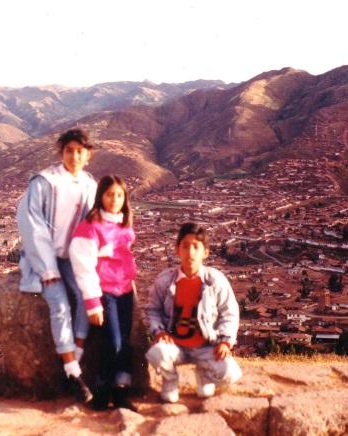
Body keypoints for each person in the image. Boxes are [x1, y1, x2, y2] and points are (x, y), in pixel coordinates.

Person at [16, 128, 97, 403]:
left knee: (87, 298)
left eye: (79, 151)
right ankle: (73, 373)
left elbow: (95, 226)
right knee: (60, 305)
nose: (74, 156)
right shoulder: (44, 182)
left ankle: (73, 361)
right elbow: (32, 224)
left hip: (74, 258)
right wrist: (47, 268)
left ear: (88, 155)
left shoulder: (89, 185)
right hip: (46, 258)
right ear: (61, 153)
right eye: (69, 150)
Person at [145, 222, 242, 403]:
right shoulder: (165, 281)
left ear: (205, 252)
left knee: (232, 373)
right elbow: (152, 310)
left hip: (206, 346)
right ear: (177, 250)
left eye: (196, 247)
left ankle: (204, 374)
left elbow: (229, 313)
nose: (190, 252)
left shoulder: (215, 281)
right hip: (174, 345)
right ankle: (170, 380)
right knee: (156, 353)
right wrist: (159, 332)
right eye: (185, 246)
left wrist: (225, 342)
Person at [69, 175, 138, 411]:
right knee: (114, 342)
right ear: (101, 196)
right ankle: (101, 392)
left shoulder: (123, 224)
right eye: (110, 194)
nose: (115, 199)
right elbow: (82, 265)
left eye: (119, 195)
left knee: (124, 342)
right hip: (104, 292)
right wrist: (93, 302)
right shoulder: (90, 227)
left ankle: (120, 392)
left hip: (125, 290)